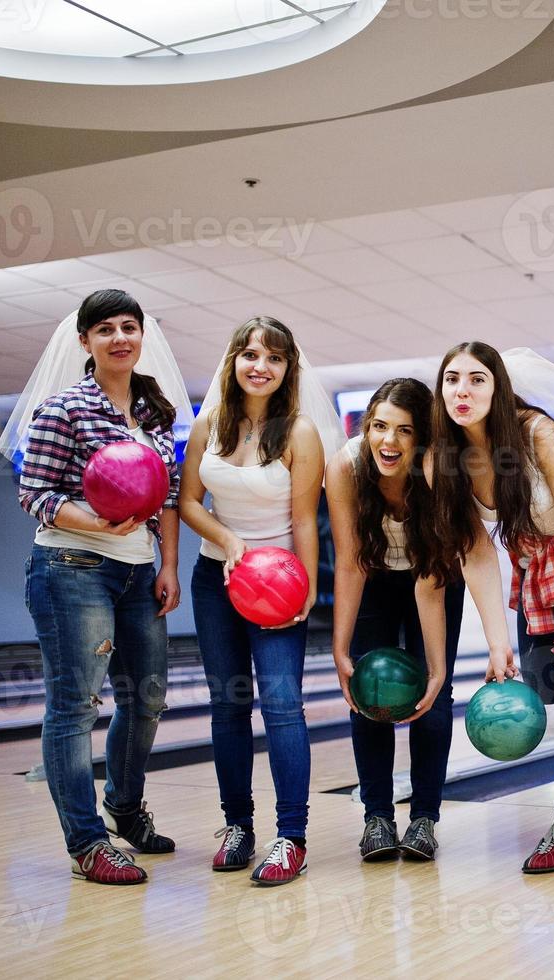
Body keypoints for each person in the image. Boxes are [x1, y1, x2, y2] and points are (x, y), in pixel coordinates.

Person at [6, 288, 192, 885]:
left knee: (147, 698)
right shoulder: (62, 409)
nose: (120, 338)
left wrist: (168, 565)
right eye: (105, 328)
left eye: (129, 327)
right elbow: (35, 494)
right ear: (84, 340)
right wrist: (99, 521)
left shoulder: (157, 413)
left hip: (140, 572)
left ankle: (124, 806)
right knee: (75, 706)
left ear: (143, 337)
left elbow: (164, 499)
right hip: (72, 568)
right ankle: (87, 844)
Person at [430, 342, 554, 874]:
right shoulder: (446, 458)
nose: (462, 391)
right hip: (536, 566)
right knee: (548, 690)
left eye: (476, 379)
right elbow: (474, 553)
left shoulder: (535, 433)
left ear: (497, 388)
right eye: (452, 379)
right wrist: (497, 646)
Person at [179, 315, 342, 886]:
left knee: (281, 707)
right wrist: (227, 542)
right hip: (215, 578)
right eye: (250, 354)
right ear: (233, 361)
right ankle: (237, 826)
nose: (260, 366)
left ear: (286, 369)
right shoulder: (209, 426)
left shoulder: (299, 433)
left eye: (274, 357)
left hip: (276, 584)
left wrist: (305, 588)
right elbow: (188, 502)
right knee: (227, 706)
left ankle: (290, 837)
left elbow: (303, 518)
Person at [325, 378, 515, 863]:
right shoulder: (346, 467)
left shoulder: (436, 472)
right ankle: (377, 818)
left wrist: (435, 670)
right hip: (372, 578)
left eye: (404, 431)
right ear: (366, 428)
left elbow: (435, 578)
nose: (389, 441)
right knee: (367, 693)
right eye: (380, 427)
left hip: (434, 578)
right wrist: (340, 648)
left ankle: (425, 818)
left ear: (422, 439)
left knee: (436, 694)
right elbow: (348, 561)